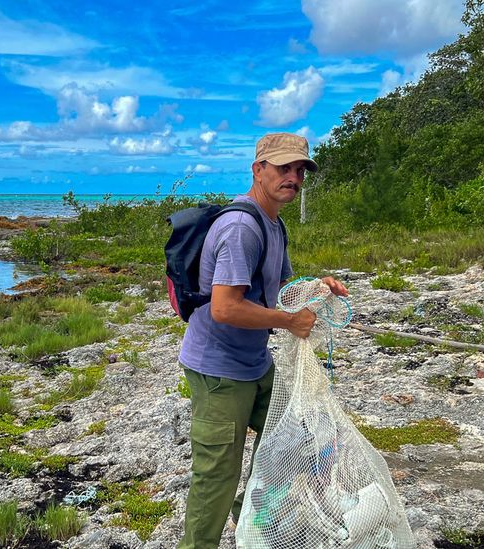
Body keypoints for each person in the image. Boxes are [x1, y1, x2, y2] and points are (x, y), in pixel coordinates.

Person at [177, 132, 349, 549]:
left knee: (293, 439)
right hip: (218, 370)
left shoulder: (274, 223)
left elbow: (281, 286)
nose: (292, 177)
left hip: (254, 363)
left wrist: (318, 289)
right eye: (283, 168)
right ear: (258, 169)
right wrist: (291, 321)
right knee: (217, 473)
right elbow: (225, 308)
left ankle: (248, 516)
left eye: (299, 170)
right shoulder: (241, 228)